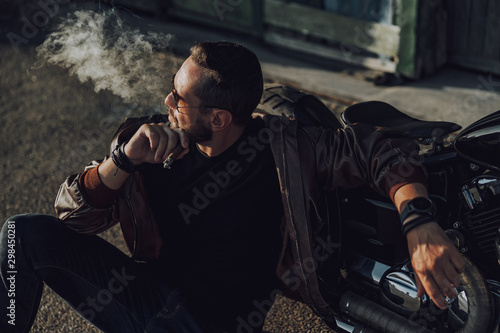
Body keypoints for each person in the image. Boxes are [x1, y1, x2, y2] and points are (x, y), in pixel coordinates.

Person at [0, 41, 464, 333]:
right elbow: (73, 218)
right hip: (142, 297)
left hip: (214, 322)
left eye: (179, 98)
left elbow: (382, 150)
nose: (167, 102)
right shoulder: (146, 142)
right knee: (21, 235)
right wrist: (121, 161)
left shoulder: (286, 149)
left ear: (219, 118)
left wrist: (418, 222)